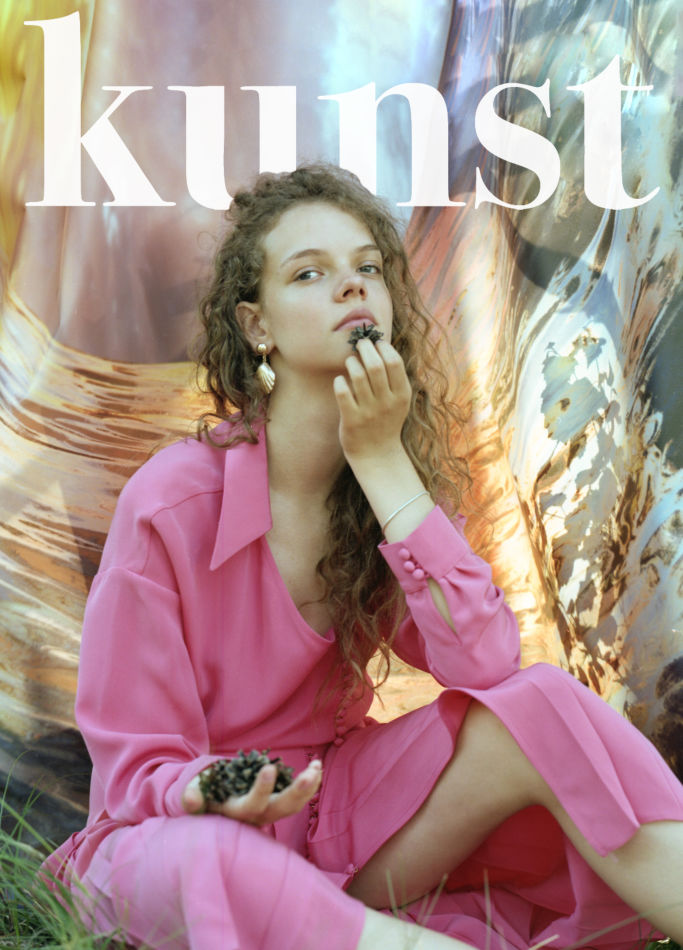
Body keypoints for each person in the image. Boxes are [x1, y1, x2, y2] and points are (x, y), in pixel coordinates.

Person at [44, 164, 683, 950]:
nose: (350, 285)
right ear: (255, 325)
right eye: (309, 273)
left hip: (338, 820)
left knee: (542, 701)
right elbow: (135, 771)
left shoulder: (384, 485)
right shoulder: (171, 501)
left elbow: (486, 664)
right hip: (186, 829)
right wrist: (225, 788)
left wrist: (382, 464)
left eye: (367, 269)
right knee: (209, 857)